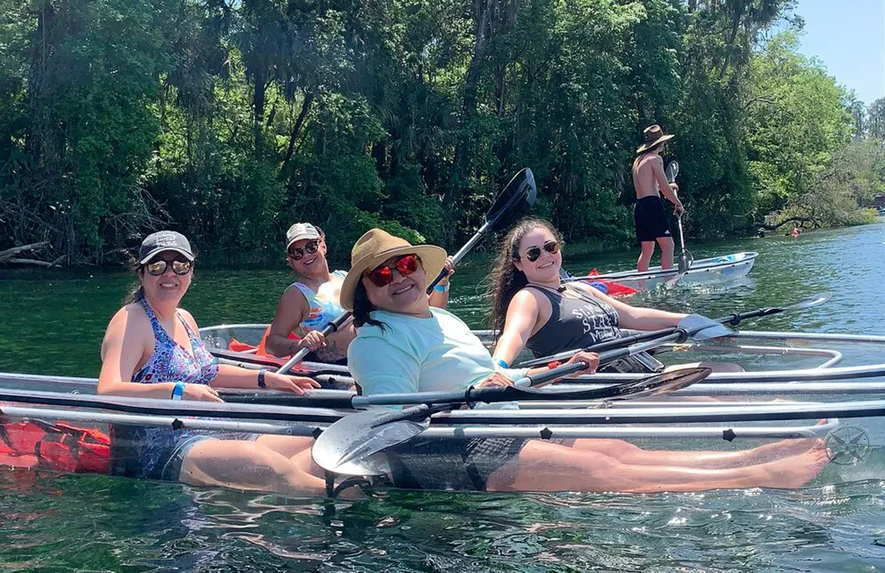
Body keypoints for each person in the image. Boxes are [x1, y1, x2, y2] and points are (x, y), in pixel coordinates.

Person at [343, 228, 828, 493]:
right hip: (453, 448)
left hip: (503, 420)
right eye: (381, 274)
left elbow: (496, 373)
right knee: (603, 474)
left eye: (405, 265)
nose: (398, 278)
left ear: (420, 270)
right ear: (366, 291)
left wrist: (542, 371)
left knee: (621, 453)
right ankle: (752, 477)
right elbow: (393, 415)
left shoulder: (442, 321)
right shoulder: (375, 338)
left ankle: (746, 456)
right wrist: (473, 397)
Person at [98, 230, 326, 494]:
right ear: (142, 273)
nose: (170, 274)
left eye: (181, 266)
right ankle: (343, 500)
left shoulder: (184, 318)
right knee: (262, 463)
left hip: (206, 431)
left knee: (310, 442)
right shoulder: (130, 320)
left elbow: (208, 372)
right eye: (158, 266)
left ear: (191, 272)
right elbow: (109, 391)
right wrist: (179, 391)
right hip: (158, 447)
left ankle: (282, 504)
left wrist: (267, 378)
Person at [488, 218, 743, 374]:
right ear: (519, 264)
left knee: (733, 372)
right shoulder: (530, 298)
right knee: (721, 393)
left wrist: (689, 320)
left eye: (550, 247)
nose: (545, 256)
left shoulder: (581, 289)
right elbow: (514, 335)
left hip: (639, 367)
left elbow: (633, 315)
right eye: (533, 253)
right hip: (603, 383)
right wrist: (496, 369)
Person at [265, 222, 453, 364]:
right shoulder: (296, 294)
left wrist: (441, 282)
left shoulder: (347, 278)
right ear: (291, 261)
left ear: (323, 246)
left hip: (384, 352)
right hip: (337, 367)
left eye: (311, 247)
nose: (306, 255)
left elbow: (430, 309)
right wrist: (300, 345)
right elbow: (272, 343)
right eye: (297, 253)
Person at [633, 125, 684, 272]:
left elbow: (653, 185)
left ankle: (641, 285)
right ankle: (669, 283)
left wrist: (670, 185)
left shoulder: (638, 161)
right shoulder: (656, 159)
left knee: (647, 249)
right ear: (659, 143)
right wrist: (678, 203)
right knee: (668, 246)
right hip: (652, 205)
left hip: (640, 207)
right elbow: (662, 186)